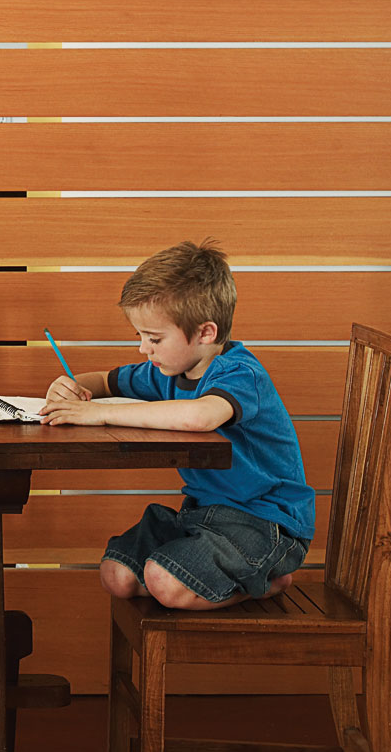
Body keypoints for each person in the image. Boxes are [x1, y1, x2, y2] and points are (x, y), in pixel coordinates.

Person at [42, 239, 315, 611]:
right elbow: (104, 380)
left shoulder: (240, 373)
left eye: (154, 338)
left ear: (205, 333)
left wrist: (99, 414)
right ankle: (220, 576)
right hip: (202, 515)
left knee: (163, 581)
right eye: (139, 336)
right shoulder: (169, 370)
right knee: (116, 575)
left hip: (264, 523)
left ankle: (267, 580)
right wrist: (72, 386)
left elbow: (199, 417)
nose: (143, 349)